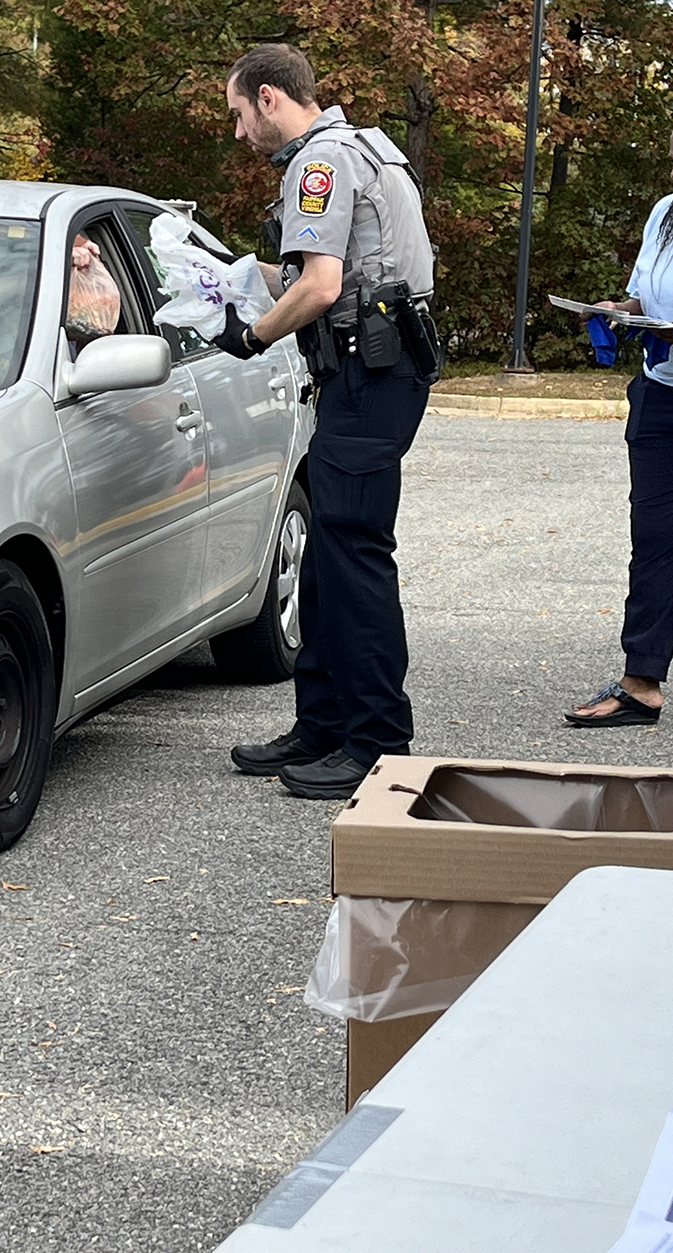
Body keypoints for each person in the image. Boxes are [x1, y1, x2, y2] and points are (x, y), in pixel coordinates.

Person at [213, 42, 436, 799]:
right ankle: (323, 725)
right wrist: (230, 277)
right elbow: (325, 271)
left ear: (269, 98)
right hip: (370, 371)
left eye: (239, 114)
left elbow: (320, 287)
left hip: (370, 375)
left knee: (355, 557)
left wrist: (251, 336)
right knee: (326, 557)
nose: (239, 133)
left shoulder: (322, 162)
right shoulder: (361, 148)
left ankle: (376, 742)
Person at [567, 89, 673, 728]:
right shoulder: (666, 213)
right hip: (659, 398)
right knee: (654, 543)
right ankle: (641, 682)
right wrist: (620, 311)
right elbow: (644, 294)